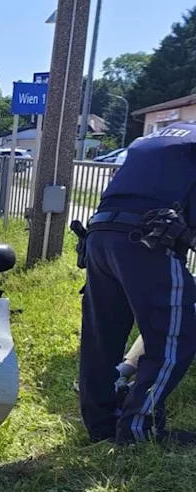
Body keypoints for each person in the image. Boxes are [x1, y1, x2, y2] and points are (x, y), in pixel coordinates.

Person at [78, 121, 196, 445]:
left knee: (102, 338)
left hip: (100, 236)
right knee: (174, 337)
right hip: (148, 241)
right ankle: (136, 432)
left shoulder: (165, 135)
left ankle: (101, 425)